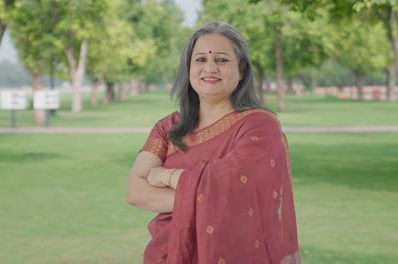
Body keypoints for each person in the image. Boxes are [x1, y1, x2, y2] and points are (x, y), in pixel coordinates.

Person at [126, 21, 300, 264]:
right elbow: (135, 192)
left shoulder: (259, 125)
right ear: (188, 69)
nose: (210, 68)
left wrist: (167, 177)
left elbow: (235, 189)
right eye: (200, 60)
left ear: (241, 71)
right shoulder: (168, 128)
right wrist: (209, 195)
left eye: (221, 60)